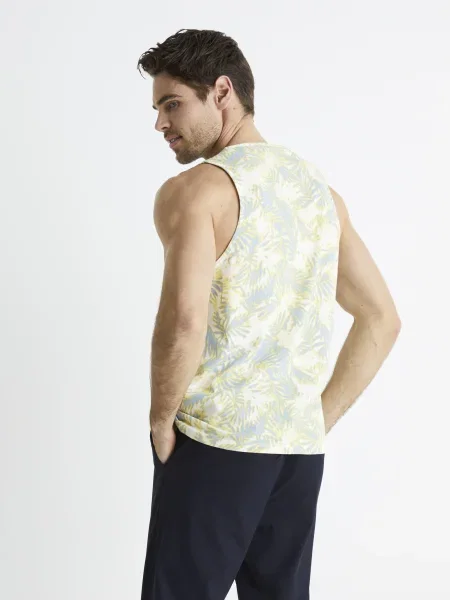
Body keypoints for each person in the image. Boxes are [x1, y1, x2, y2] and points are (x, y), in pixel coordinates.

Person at [136, 28, 402, 600]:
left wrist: (160, 418)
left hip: (214, 442)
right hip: (295, 455)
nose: (160, 122)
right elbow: (381, 317)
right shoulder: (320, 195)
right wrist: (312, 421)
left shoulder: (195, 192)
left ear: (222, 92)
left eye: (172, 104)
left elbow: (184, 321)